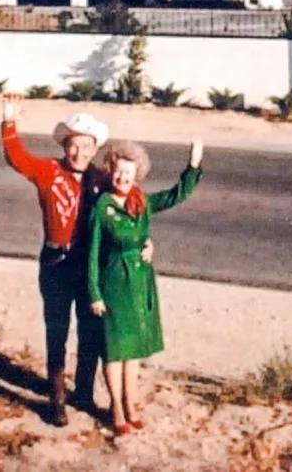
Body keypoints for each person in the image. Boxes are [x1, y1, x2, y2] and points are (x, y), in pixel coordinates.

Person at [0, 96, 154, 426]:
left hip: (89, 266)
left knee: (90, 331)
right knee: (57, 330)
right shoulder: (48, 171)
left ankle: (83, 392)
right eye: (73, 145)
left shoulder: (101, 179)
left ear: (94, 148)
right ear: (64, 145)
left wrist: (145, 240)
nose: (79, 152)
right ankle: (56, 397)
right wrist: (9, 123)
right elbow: (17, 158)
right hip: (56, 262)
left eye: (86, 146)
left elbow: (133, 199)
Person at [88, 138, 203, 435]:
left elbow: (176, 195)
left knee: (133, 350)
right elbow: (92, 253)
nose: (122, 178)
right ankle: (116, 407)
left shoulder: (142, 202)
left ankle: (131, 404)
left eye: (128, 173)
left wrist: (193, 165)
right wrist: (95, 293)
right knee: (114, 350)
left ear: (136, 175)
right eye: (118, 172)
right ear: (110, 172)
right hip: (113, 283)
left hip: (139, 283)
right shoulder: (102, 207)